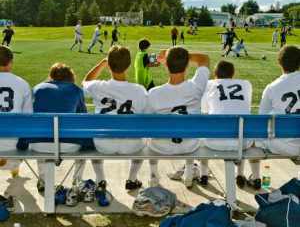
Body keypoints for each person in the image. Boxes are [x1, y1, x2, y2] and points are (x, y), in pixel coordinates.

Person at [82, 45, 147, 198]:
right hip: (132, 145)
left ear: (109, 65)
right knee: (143, 136)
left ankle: (100, 179)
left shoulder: (97, 87)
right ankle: (132, 179)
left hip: (103, 144)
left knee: (95, 134)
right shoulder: (139, 90)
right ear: (129, 66)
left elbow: (85, 82)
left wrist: (101, 63)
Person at [30, 63, 102, 192]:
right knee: (86, 138)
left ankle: (42, 179)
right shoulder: (75, 90)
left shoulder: (37, 88)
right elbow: (82, 117)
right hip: (67, 144)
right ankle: (77, 178)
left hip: (38, 145)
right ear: (70, 76)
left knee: (40, 133)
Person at [147, 47, 210, 188]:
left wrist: (171, 56)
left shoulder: (154, 93)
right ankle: (188, 174)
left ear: (165, 65)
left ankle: (153, 176)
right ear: (187, 65)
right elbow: (204, 58)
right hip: (189, 145)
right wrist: (180, 56)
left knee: (149, 135)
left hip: (160, 146)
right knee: (190, 132)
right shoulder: (196, 88)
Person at [200, 60, 261, 189]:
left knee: (205, 127)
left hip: (214, 141)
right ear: (233, 75)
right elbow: (245, 108)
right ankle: (248, 175)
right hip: (242, 142)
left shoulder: (209, 85)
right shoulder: (246, 84)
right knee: (242, 128)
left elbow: (204, 112)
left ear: (215, 75)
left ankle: (203, 174)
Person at [258, 45, 300, 156]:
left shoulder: (272, 87)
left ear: (280, 63)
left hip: (284, 146)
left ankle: (252, 174)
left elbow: (262, 118)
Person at [0, 46, 32, 175]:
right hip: (12, 145)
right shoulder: (22, 84)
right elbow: (28, 116)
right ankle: (13, 165)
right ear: (10, 62)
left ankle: (9, 163)